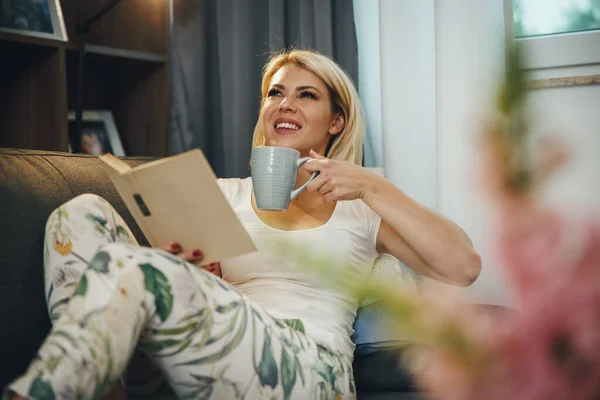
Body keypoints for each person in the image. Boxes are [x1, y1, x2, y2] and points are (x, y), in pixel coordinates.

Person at [4, 49, 481, 400]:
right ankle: (97, 386)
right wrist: (190, 275)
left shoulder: (359, 205)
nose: (285, 104)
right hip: (202, 349)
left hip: (308, 367)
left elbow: (462, 266)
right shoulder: (220, 193)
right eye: (275, 93)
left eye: (306, 95)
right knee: (81, 212)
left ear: (336, 122)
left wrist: (373, 187)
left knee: (143, 272)